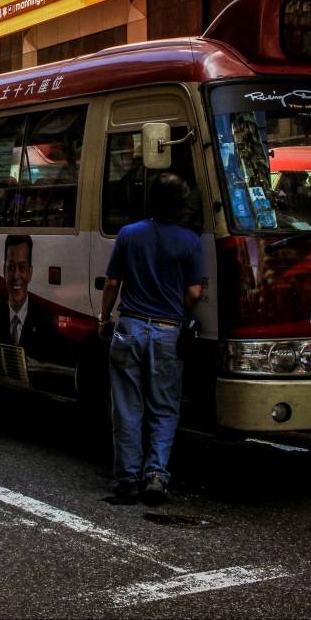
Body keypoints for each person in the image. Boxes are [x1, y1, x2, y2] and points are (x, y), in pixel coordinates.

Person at [97, 173, 204, 506]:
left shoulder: (129, 234)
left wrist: (104, 319)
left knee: (127, 407)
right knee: (164, 408)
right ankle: (156, 475)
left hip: (129, 327)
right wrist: (180, 315)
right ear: (180, 207)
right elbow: (194, 291)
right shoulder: (190, 241)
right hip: (167, 330)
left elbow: (112, 283)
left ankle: (127, 479)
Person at [0, 235, 63, 364]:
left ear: (30, 272)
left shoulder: (45, 322)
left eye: (22, 267)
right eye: (11, 267)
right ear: (4, 271)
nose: (16, 275)